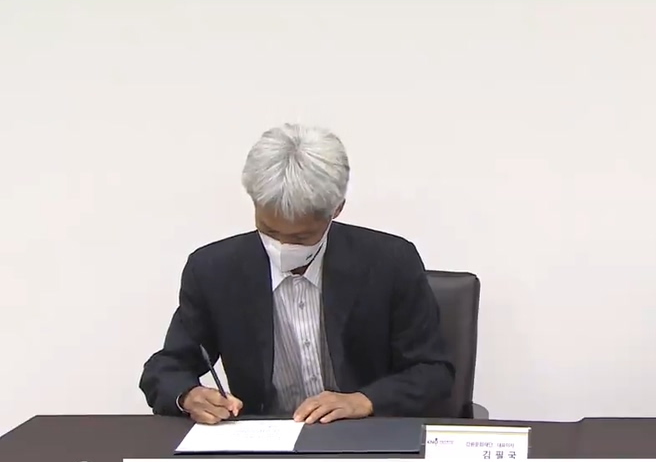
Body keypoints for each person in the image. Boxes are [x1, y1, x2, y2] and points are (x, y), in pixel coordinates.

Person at [140, 124, 454, 425]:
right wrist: (188, 395)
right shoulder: (214, 271)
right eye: (269, 231)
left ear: (337, 209)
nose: (283, 246)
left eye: (301, 237)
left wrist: (364, 400)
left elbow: (433, 371)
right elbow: (165, 368)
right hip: (263, 440)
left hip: (362, 436)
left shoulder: (389, 262)